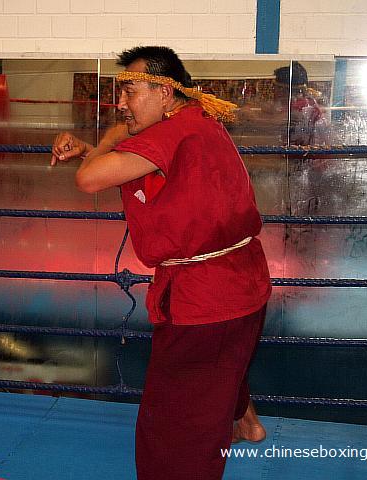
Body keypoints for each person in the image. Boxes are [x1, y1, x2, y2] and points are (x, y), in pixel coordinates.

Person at [50, 46, 272, 480]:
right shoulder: (194, 123)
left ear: (165, 93)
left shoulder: (174, 134)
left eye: (130, 92)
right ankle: (247, 421)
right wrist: (91, 148)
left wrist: (109, 140)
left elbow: (89, 179)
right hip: (242, 284)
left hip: (206, 298)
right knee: (223, 365)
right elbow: (143, 166)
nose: (122, 103)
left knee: (173, 421)